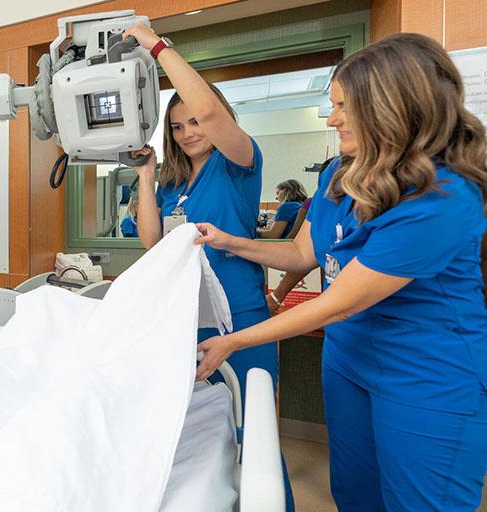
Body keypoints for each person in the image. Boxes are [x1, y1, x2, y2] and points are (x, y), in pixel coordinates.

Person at [194, 33, 487, 510]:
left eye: (343, 107)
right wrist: (227, 241)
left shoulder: (442, 197)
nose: (332, 119)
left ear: (394, 107)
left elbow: (340, 299)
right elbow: (300, 255)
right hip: (348, 359)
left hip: (425, 373)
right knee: (353, 493)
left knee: (418, 502)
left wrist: (236, 339)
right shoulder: (338, 174)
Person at [123, 23, 278, 397]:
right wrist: (147, 176)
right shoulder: (174, 182)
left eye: (194, 122)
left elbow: (209, 111)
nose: (188, 133)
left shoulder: (238, 162)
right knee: (203, 428)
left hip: (240, 315)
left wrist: (157, 47)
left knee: (251, 430)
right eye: (177, 127)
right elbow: (151, 241)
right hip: (188, 314)